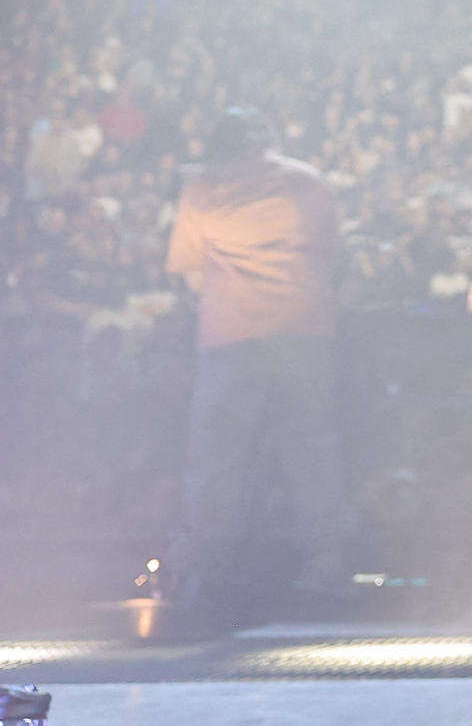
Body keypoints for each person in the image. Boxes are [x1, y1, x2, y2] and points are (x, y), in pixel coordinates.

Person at [161, 106, 357, 637]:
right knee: (310, 450)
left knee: (219, 458)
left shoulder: (204, 188)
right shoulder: (306, 182)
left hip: (231, 335)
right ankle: (329, 564)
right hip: (303, 331)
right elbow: (335, 256)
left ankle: (205, 568)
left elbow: (190, 271)